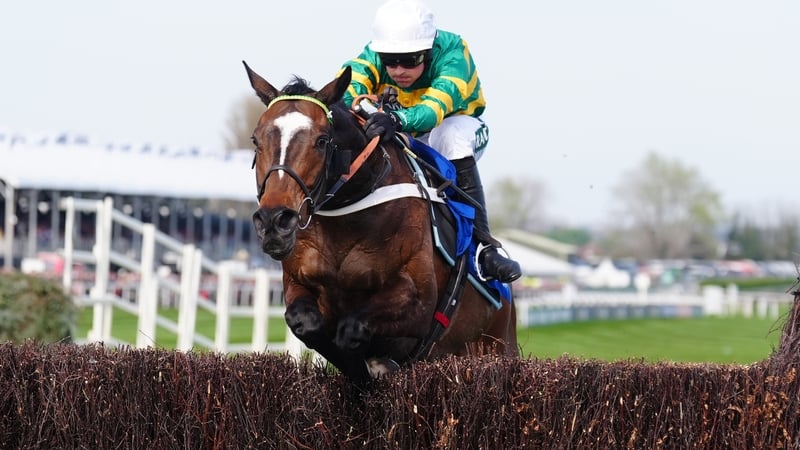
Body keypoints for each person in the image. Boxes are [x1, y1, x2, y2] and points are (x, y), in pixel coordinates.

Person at [338, 0, 521, 283]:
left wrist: (395, 119)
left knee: (449, 135)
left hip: (459, 125)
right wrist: (368, 112)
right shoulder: (372, 54)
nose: (398, 70)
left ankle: (485, 247)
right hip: (403, 127)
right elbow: (346, 90)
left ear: (428, 50)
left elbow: (434, 110)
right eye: (390, 60)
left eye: (410, 60)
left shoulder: (453, 51)